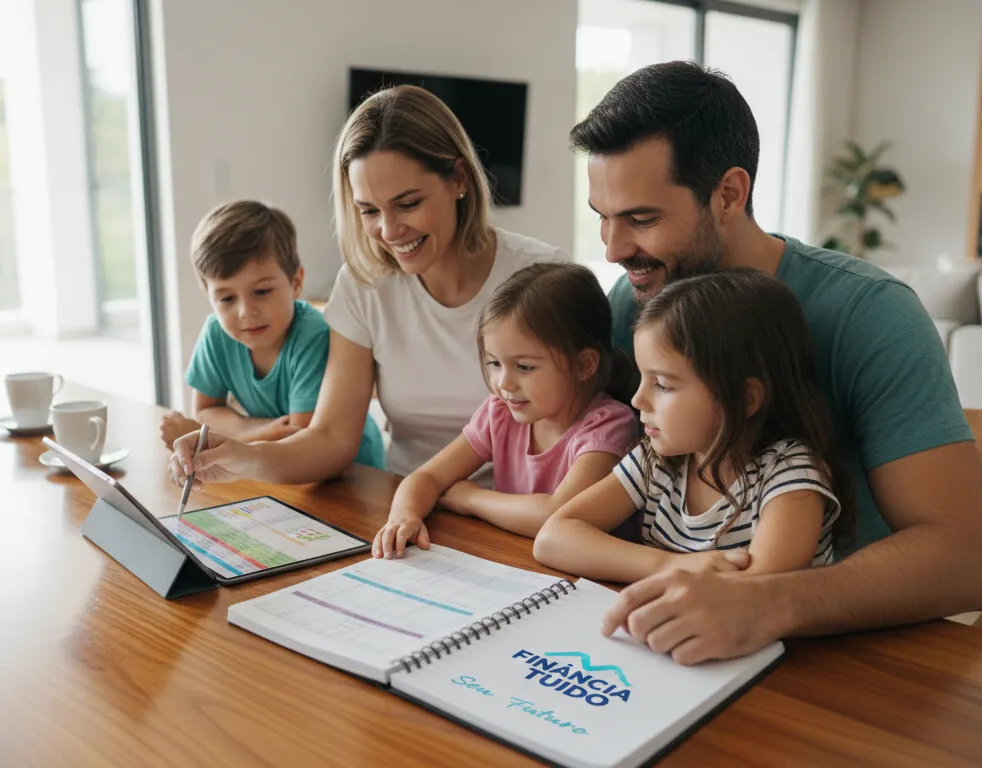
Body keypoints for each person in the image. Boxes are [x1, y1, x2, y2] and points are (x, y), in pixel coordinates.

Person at [577, 61, 982, 665]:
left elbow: (968, 562)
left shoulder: (868, 314)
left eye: (642, 219)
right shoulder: (637, 302)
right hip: (664, 635)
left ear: (729, 193)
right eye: (602, 217)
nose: (615, 249)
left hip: (844, 658)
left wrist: (767, 603)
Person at [168, 85, 566, 488]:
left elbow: (583, 435)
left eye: (408, 204)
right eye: (369, 211)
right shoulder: (364, 286)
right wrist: (240, 456)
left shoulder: (543, 273)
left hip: (517, 512)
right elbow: (330, 439)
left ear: (458, 179)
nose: (390, 231)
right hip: (406, 506)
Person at [535, 268, 853, 583]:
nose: (637, 400)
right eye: (642, 378)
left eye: (662, 385)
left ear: (744, 399)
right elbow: (552, 537)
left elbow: (759, 591)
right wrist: (669, 566)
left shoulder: (788, 474)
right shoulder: (654, 461)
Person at [373, 262, 637, 558]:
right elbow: (427, 477)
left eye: (524, 367)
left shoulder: (609, 427)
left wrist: (471, 498)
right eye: (494, 363)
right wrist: (404, 516)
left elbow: (556, 515)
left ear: (584, 365)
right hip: (513, 558)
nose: (503, 383)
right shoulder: (500, 412)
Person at [158, 200, 385, 468]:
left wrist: (214, 435)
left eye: (262, 291)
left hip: (350, 474)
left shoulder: (313, 335)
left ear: (296, 283)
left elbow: (299, 437)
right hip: (271, 466)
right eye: (226, 298)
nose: (245, 311)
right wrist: (264, 431)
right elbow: (207, 411)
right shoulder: (216, 334)